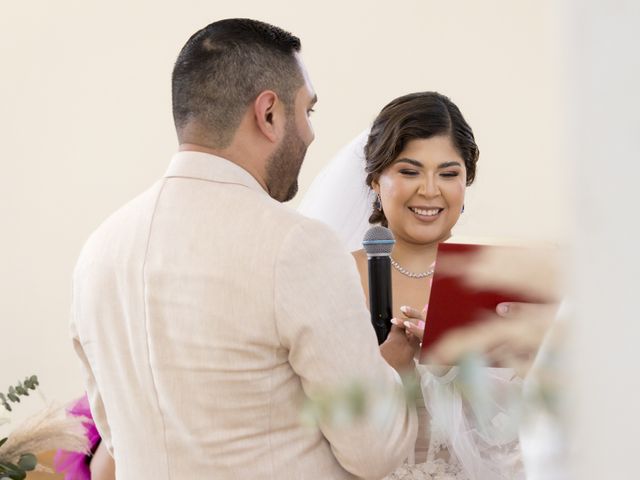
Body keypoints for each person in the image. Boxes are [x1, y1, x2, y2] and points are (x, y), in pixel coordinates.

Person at [70, 19, 418, 480]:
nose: (311, 134)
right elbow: (374, 452)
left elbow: (117, 438)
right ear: (269, 113)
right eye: (307, 112)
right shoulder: (296, 246)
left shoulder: (98, 251)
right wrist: (388, 371)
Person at [299, 92, 529, 479]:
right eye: (409, 171)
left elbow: (527, 429)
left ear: (466, 180)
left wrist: (532, 356)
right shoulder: (334, 278)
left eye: (448, 173)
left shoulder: (497, 281)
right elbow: (307, 420)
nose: (429, 190)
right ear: (375, 180)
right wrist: (387, 370)